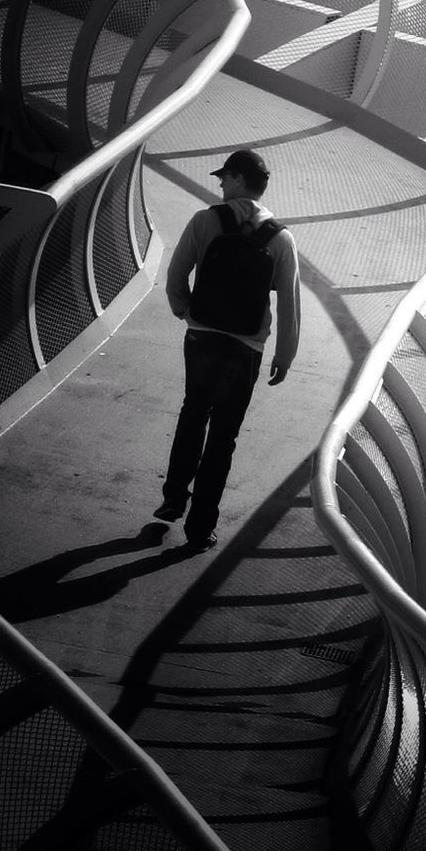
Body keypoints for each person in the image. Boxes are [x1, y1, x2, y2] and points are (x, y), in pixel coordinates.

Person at [154, 149, 301, 551]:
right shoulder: (281, 238)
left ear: (237, 179)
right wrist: (283, 355)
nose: (220, 185)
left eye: (224, 178)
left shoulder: (205, 221)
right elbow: (289, 303)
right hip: (246, 347)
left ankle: (172, 499)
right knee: (223, 436)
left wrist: (184, 309)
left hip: (201, 336)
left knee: (193, 412)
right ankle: (200, 529)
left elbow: (176, 273)